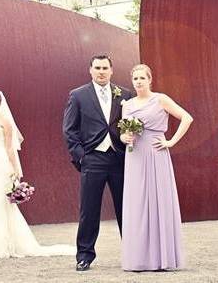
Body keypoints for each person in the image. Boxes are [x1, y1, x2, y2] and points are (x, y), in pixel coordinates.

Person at [0, 90, 71, 258]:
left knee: (1, 201)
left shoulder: (5, 122)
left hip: (1, 162)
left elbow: (9, 148)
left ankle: (4, 245)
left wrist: (13, 169)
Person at [120, 63, 192, 272]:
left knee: (159, 200)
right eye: (136, 79)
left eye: (143, 78)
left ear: (150, 80)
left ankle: (162, 257)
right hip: (134, 155)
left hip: (156, 152)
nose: (139, 82)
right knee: (137, 203)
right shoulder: (127, 104)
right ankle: (139, 258)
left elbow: (187, 118)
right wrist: (125, 137)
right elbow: (123, 132)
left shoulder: (160, 99)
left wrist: (171, 142)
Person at [62, 54, 130, 272]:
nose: (101, 71)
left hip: (120, 158)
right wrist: (81, 156)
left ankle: (132, 252)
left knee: (126, 208)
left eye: (105, 68)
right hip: (93, 158)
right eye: (97, 68)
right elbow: (69, 130)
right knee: (89, 210)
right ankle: (84, 255)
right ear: (90, 70)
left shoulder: (125, 94)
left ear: (111, 70)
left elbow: (131, 125)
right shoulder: (78, 95)